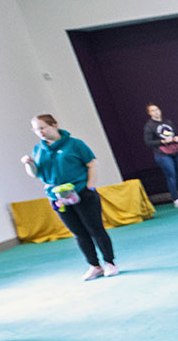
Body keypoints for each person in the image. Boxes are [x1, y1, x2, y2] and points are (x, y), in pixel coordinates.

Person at [22, 114, 118, 281]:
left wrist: (89, 187)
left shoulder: (75, 144)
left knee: (96, 229)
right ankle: (94, 266)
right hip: (57, 197)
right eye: (37, 129)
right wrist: (28, 164)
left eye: (43, 127)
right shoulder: (38, 150)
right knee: (78, 233)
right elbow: (36, 174)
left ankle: (110, 263)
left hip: (81, 193)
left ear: (54, 125)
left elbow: (92, 164)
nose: (41, 132)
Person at [143, 104, 178, 206]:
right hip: (162, 154)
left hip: (176, 152)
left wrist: (176, 138)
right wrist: (162, 141)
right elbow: (148, 142)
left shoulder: (168, 122)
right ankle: (176, 200)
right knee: (171, 175)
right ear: (149, 113)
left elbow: (175, 134)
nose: (156, 112)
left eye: (157, 109)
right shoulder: (149, 126)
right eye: (153, 111)